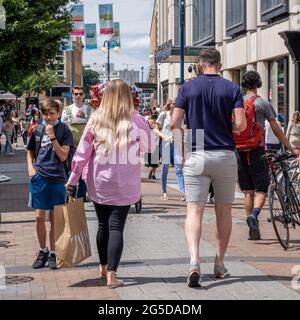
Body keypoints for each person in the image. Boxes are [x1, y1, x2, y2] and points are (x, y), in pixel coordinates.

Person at [67, 80, 155, 288]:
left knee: (102, 225)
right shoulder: (136, 119)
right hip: (125, 183)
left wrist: (72, 179)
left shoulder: (96, 119)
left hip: (99, 181)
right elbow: (150, 146)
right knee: (116, 227)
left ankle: (103, 268)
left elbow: (82, 153)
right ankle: (112, 277)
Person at [171, 48, 247, 287]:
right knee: (223, 212)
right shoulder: (232, 89)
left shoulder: (187, 88)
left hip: (197, 152)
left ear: (200, 65)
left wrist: (183, 147)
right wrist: (228, 127)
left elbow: (174, 122)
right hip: (224, 153)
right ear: (220, 65)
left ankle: (194, 261)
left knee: (194, 211)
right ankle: (219, 263)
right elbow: (241, 125)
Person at [236, 71, 299, 241]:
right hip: (257, 150)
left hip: (239, 150)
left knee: (248, 191)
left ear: (243, 85)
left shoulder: (237, 102)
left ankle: (252, 228)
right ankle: (254, 216)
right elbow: (276, 129)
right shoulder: (262, 103)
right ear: (259, 84)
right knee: (261, 189)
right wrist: (291, 148)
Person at [27, 99, 73, 270]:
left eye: (52, 113)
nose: (49, 117)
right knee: (39, 216)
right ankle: (42, 251)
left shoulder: (64, 131)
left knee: (55, 218)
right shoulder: (37, 130)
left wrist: (52, 136)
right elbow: (30, 152)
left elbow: (63, 156)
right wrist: (31, 170)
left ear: (59, 113)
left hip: (57, 177)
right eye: (46, 114)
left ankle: (54, 252)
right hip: (39, 177)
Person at [61, 86, 92, 201]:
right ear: (72, 95)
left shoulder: (90, 109)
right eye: (76, 94)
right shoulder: (67, 110)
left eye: (80, 94)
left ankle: (82, 195)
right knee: (72, 169)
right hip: (71, 145)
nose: (78, 96)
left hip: (87, 145)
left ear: (84, 95)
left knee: (84, 170)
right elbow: (63, 128)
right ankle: (71, 193)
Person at [157, 99, 186, 201]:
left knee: (179, 168)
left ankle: (183, 192)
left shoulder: (180, 116)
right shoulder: (163, 115)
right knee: (165, 169)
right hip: (165, 143)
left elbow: (182, 129)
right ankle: (164, 192)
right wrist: (164, 137)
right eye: (173, 103)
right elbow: (155, 129)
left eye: (177, 103)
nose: (175, 105)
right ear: (169, 105)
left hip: (176, 143)